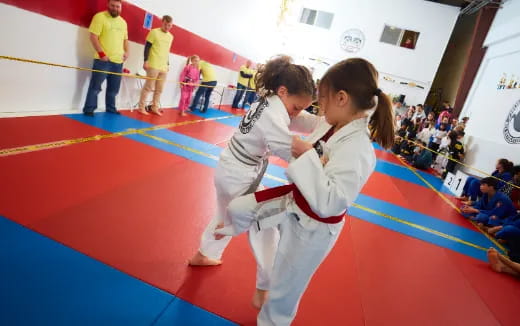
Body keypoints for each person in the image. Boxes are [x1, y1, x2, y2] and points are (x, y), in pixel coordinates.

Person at [220, 58, 394, 325]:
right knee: (238, 209)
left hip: (314, 226)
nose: (318, 105)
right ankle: (229, 231)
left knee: (283, 291)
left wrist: (306, 155)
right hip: (294, 201)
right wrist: (277, 106)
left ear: (341, 98)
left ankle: (272, 319)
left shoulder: (358, 150)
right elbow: (303, 119)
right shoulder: (332, 122)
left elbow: (331, 202)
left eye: (321, 98)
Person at [189, 56, 317, 309]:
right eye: (296, 106)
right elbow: (287, 149)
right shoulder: (274, 114)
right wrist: (317, 155)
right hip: (240, 175)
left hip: (230, 168)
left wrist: (327, 123)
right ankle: (264, 291)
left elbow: (297, 119)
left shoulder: (271, 101)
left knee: (225, 214)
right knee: (267, 228)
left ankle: (205, 254)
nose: (297, 112)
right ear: (284, 91)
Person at [83, 0, 128, 116]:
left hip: (118, 62)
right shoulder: (99, 17)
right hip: (103, 61)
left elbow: (125, 40)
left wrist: (127, 52)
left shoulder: (123, 22)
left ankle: (111, 108)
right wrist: (102, 54)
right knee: (95, 87)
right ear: (108, 5)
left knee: (114, 90)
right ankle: (89, 109)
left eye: (117, 6)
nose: (115, 8)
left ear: (121, 8)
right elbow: (93, 37)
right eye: (112, 5)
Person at [137, 15, 174, 116]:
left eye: (169, 25)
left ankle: (154, 107)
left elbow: (167, 51)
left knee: (159, 89)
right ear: (162, 22)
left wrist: (168, 63)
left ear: (171, 25)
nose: (167, 27)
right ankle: (141, 107)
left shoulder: (171, 37)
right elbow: (147, 47)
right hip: (153, 64)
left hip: (164, 67)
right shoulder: (154, 32)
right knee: (148, 87)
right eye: (166, 24)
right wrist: (145, 61)